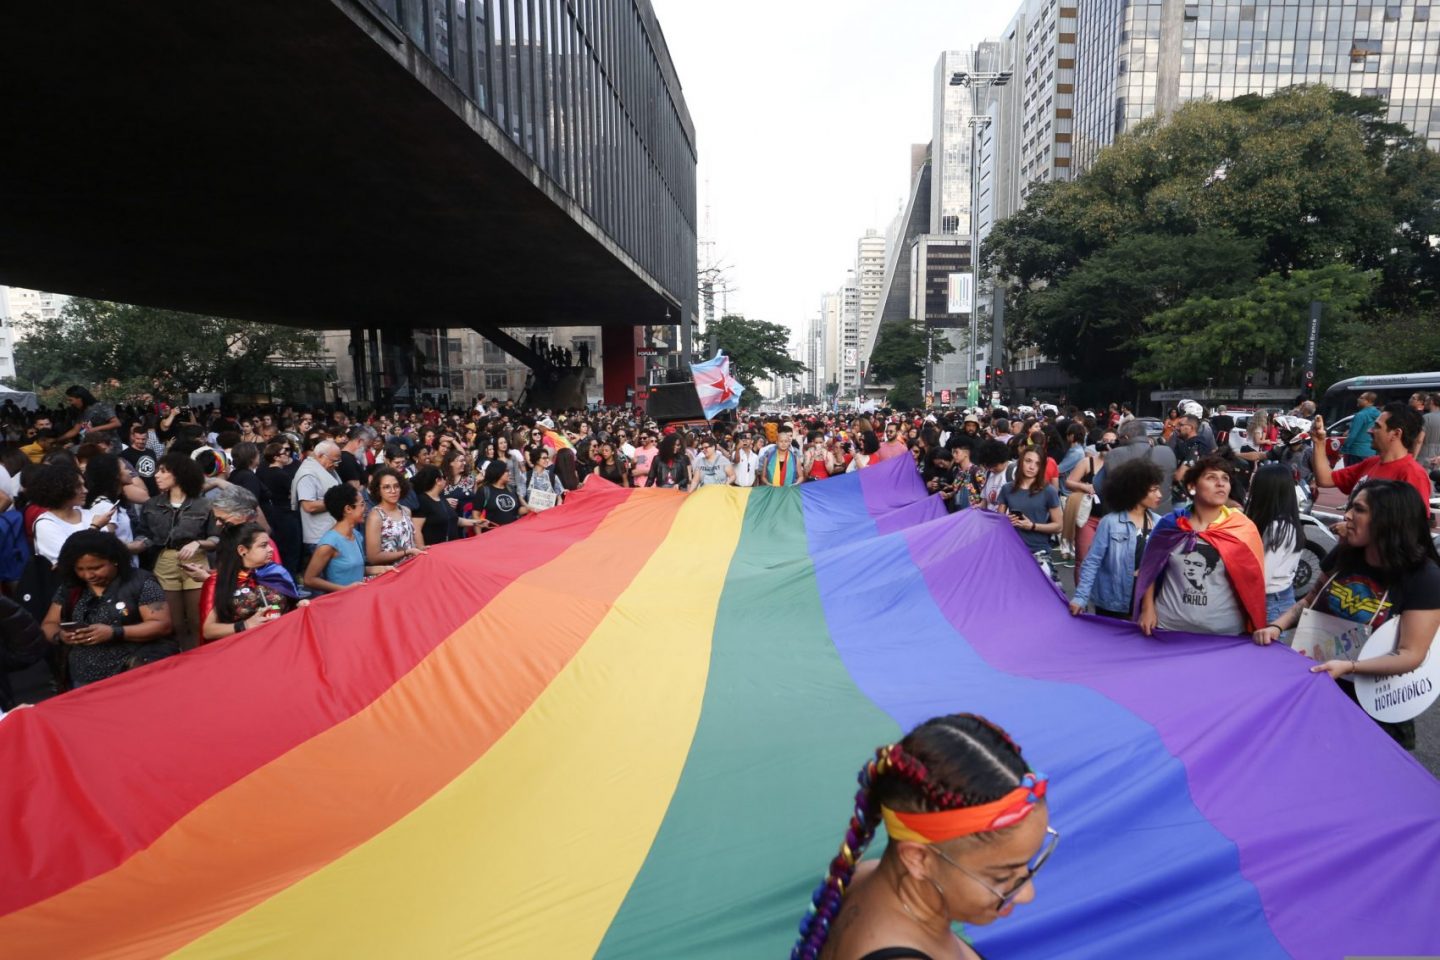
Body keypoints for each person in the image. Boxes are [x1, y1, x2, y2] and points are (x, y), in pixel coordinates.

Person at [793, 713, 1056, 960]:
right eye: (1001, 877)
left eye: (1026, 868)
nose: (1026, 894)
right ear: (917, 858)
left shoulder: (864, 877)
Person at [1255, 481, 1440, 749]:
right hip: (1319, 682)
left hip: (1374, 702)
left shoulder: (1424, 577)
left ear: (1389, 519)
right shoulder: (1345, 554)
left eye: (1359, 509)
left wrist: (1350, 667)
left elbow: (1411, 654)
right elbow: (1308, 601)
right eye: (1351, 507)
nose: (1347, 515)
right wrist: (1275, 626)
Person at [1135, 455, 1267, 637]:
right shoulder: (1170, 525)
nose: (1220, 484)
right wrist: (1147, 608)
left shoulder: (1242, 529)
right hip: (1168, 628)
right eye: (1211, 477)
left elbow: (1253, 584)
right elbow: (1149, 569)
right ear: (1192, 487)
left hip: (1223, 634)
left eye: (1225, 479)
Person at [41, 530, 174, 686]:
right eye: (80, 569)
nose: (88, 575)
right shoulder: (70, 587)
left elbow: (161, 625)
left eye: (96, 568)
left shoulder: (141, 582)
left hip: (134, 672)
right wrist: (61, 636)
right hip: (83, 678)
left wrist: (113, 632)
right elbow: (48, 624)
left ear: (115, 560)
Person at [135, 453, 218, 651]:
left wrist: (198, 543)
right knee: (174, 622)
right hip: (164, 561)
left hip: (196, 561)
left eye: (163, 471)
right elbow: (144, 536)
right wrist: (131, 546)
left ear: (180, 474)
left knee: (198, 618)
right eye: (157, 471)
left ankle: (201, 658)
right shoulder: (151, 504)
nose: (157, 475)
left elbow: (217, 538)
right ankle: (181, 660)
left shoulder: (204, 504)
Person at [1070, 459, 1164, 619]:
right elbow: (1092, 561)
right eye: (1153, 490)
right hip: (1112, 601)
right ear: (1137, 491)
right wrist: (1080, 597)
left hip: (1146, 601)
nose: (1159, 495)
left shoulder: (1159, 522)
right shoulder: (1110, 523)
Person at [1311, 403, 1431, 519]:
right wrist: (1319, 442)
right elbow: (1325, 479)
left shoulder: (1413, 474)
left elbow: (1413, 526)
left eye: (1377, 426)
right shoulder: (1370, 463)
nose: (1370, 430)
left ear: (1396, 433)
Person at [200, 523, 302, 642]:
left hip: (282, 641)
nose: (271, 549)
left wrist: (300, 605)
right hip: (243, 649)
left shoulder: (276, 573)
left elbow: (291, 606)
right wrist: (245, 625)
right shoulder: (218, 582)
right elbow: (208, 631)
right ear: (242, 550)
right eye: (263, 546)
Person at [1244, 463, 1304, 631]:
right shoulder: (1287, 522)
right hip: (1280, 596)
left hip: (1271, 600)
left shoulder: (1277, 527)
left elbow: (1262, 576)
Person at [303, 484, 391, 592]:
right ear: (348, 509)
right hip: (340, 602)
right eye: (362, 504)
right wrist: (344, 589)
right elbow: (309, 579)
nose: (366, 508)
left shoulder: (356, 535)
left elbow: (356, 570)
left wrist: (383, 569)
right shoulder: (329, 543)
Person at [30, 463, 117, 567]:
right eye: (78, 487)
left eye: (84, 485)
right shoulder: (45, 524)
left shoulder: (87, 514)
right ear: (60, 489)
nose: (85, 491)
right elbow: (69, 559)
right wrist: (95, 527)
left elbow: (109, 549)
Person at [998, 448, 1062, 554]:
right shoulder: (1007, 489)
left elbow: (1059, 526)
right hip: (1010, 549)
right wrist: (1007, 520)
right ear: (1021, 461)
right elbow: (999, 521)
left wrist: (1032, 526)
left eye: (1037, 464)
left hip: (1038, 551)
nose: (1032, 467)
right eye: (1028, 461)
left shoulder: (1049, 491)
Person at [291, 439, 343, 569]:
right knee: (323, 581)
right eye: (334, 461)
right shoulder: (308, 474)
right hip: (319, 537)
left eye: (338, 461)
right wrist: (340, 500)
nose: (336, 465)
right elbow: (309, 506)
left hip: (332, 533)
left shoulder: (325, 467)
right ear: (320, 456)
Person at [364, 466, 424, 565]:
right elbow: (373, 557)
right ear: (378, 490)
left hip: (411, 569)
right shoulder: (375, 516)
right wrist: (405, 553)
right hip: (390, 573)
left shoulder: (406, 511)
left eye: (396, 486)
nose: (393, 491)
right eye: (386, 487)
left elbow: (412, 543)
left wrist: (420, 548)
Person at [413, 464, 480, 543]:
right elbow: (416, 529)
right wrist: (422, 550)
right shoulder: (422, 501)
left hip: (451, 547)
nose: (446, 479)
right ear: (437, 481)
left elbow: (453, 519)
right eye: (444, 477)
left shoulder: (442, 498)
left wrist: (477, 522)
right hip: (435, 550)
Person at [58, 385, 121, 449]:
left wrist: (95, 429)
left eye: (71, 400)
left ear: (80, 398)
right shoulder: (82, 412)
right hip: (92, 447)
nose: (70, 403)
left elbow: (116, 423)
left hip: (110, 447)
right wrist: (57, 440)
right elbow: (75, 430)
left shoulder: (101, 406)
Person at [474, 460, 529, 528]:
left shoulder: (511, 489)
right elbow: (476, 515)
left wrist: (532, 508)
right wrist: (479, 537)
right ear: (498, 472)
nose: (509, 473)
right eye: (507, 471)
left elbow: (517, 510)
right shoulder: (484, 490)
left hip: (513, 532)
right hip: (493, 534)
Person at [1341, 391, 1381, 462]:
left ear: (1368, 401)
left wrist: (1343, 450)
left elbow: (1352, 435)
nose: (1358, 399)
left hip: (1356, 452)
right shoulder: (1379, 415)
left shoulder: (1361, 415)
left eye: (1361, 398)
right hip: (1372, 452)